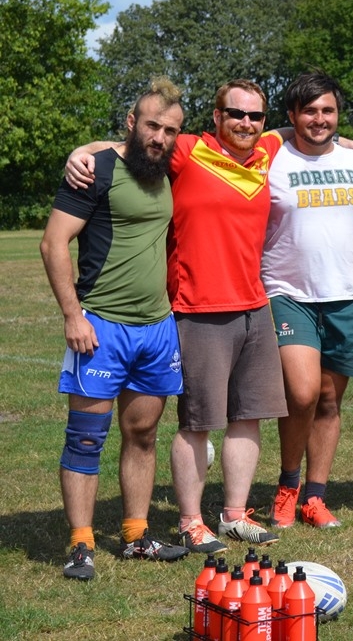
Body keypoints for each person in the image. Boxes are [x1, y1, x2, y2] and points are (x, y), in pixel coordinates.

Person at [67, 80, 290, 553]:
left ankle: (234, 515)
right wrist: (80, 150)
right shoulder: (187, 149)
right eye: (236, 113)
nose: (246, 123)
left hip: (254, 306)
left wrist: (346, 141)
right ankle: (190, 521)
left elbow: (297, 132)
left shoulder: (266, 150)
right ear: (216, 116)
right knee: (196, 422)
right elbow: (135, 144)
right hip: (197, 309)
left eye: (255, 116)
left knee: (248, 417)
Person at [40, 78, 190, 580]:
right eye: (152, 125)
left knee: (142, 433)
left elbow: (255, 135)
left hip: (156, 327)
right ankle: (81, 543)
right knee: (86, 438)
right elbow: (53, 243)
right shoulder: (97, 168)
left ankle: (134, 535)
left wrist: (347, 141)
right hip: (99, 327)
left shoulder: (172, 165)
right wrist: (71, 315)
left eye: (170, 129)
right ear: (131, 122)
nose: (160, 137)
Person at [265, 72, 353, 530]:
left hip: (346, 294)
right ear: (292, 116)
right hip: (287, 293)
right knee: (303, 392)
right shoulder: (272, 157)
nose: (319, 119)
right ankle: (288, 486)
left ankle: (315, 496)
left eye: (328, 110)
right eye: (309, 111)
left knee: (329, 401)